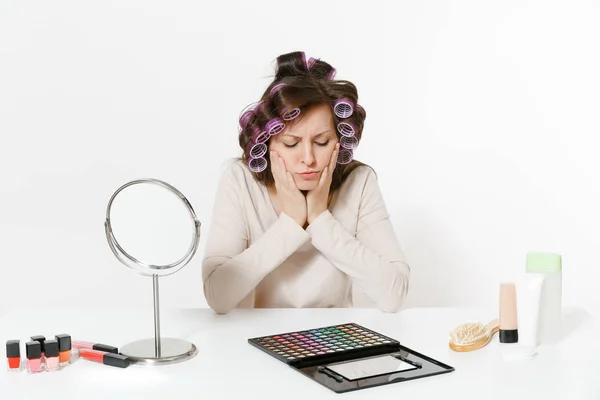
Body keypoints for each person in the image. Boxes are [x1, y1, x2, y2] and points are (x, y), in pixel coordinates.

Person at [201, 51, 410, 314]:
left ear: (340, 141)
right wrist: (291, 223)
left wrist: (320, 219)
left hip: (332, 341)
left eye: (321, 142)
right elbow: (218, 296)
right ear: (266, 144)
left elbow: (393, 295)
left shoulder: (358, 181)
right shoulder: (240, 180)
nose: (308, 159)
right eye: (291, 144)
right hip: (251, 343)